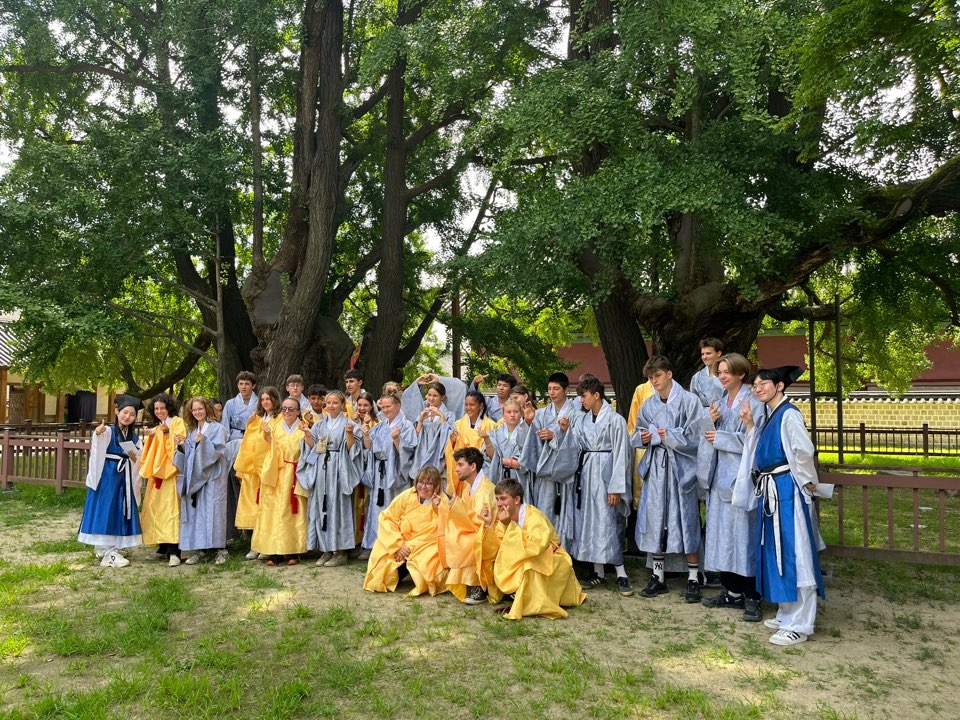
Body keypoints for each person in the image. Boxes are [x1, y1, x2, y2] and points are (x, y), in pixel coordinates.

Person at [733, 365, 825, 646]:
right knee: (777, 550)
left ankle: (801, 622)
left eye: (763, 384)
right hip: (773, 488)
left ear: (780, 386)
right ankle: (787, 612)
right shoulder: (773, 415)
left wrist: (808, 482)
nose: (757, 388)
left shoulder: (789, 414)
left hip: (787, 489)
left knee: (795, 550)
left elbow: (803, 451)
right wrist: (749, 425)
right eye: (755, 385)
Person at [697, 354, 766, 621]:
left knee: (743, 536)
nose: (722, 376)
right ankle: (732, 591)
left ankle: (752, 596)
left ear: (740, 374)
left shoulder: (753, 401)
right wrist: (710, 421)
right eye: (720, 372)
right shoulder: (717, 402)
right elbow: (705, 436)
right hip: (718, 476)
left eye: (727, 372)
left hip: (740, 476)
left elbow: (755, 438)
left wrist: (721, 436)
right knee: (721, 536)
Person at [631, 356, 703, 602]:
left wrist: (669, 435)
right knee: (656, 519)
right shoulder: (649, 404)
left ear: (669, 374)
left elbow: (697, 435)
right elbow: (636, 432)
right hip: (656, 469)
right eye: (651, 377)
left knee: (686, 518)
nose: (654, 381)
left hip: (681, 469)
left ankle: (694, 577)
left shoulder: (689, 401)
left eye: (658, 375)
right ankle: (658, 576)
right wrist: (644, 438)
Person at [561, 377, 633, 596]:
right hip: (587, 474)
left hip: (606, 473)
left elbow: (622, 454)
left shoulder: (615, 420)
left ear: (596, 395)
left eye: (584, 396)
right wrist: (565, 431)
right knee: (589, 522)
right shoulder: (582, 420)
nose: (581, 400)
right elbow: (575, 445)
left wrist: (616, 487)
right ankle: (598, 572)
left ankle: (621, 573)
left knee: (609, 521)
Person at [492, 478, 586, 619]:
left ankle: (529, 604)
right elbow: (501, 545)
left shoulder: (535, 517)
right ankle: (519, 596)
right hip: (534, 556)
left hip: (553, 558)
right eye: (497, 499)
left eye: (503, 499)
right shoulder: (505, 518)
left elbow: (536, 547)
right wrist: (495, 525)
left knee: (529, 567)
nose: (499, 503)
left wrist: (509, 527)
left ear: (517, 500)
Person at [78, 395, 143, 568]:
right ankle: (104, 550)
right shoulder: (108, 431)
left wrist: (135, 458)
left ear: (135, 417)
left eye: (131, 414)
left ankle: (114, 547)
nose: (127, 416)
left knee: (119, 509)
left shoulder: (135, 438)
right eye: (124, 412)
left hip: (124, 477)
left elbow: (140, 459)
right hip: (107, 476)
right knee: (105, 507)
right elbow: (99, 442)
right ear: (117, 412)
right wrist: (98, 433)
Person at [362, 466, 449, 596]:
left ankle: (413, 574)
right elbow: (387, 518)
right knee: (381, 550)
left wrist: (439, 510)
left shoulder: (442, 501)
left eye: (429, 483)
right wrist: (398, 544)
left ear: (436, 485)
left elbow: (436, 531)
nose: (423, 487)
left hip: (424, 544)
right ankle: (397, 573)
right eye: (421, 482)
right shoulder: (407, 495)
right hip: (401, 541)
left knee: (429, 560)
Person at [297, 391, 361, 567]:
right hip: (322, 470)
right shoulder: (319, 426)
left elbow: (353, 451)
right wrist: (308, 435)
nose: (331, 406)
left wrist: (349, 434)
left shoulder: (349, 424)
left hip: (340, 470)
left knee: (338, 507)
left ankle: (341, 551)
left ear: (342, 404)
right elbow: (314, 449)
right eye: (329, 403)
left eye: (335, 403)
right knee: (321, 507)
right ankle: (325, 548)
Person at [519, 372, 580, 545]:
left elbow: (579, 443)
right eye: (549, 389)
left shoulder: (576, 414)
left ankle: (564, 555)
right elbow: (527, 443)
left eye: (556, 389)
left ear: (566, 390)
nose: (552, 393)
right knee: (544, 510)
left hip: (565, 474)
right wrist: (529, 421)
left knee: (564, 513)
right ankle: (544, 550)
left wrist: (557, 436)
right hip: (544, 474)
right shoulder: (541, 413)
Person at [251, 397, 313, 565]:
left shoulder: (303, 428)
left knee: (293, 512)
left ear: (298, 411)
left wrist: (307, 433)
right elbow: (263, 450)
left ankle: (292, 551)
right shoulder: (274, 427)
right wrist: (265, 435)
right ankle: (273, 552)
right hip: (276, 474)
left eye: (291, 409)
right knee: (274, 512)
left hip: (296, 473)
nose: (287, 412)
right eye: (284, 409)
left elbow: (312, 447)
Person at [358, 393, 417, 560]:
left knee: (395, 509)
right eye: (382, 407)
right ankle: (374, 544)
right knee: (377, 509)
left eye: (388, 406)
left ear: (397, 405)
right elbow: (369, 449)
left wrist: (397, 440)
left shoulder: (406, 426)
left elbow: (409, 453)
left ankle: (396, 545)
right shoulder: (379, 426)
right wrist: (366, 436)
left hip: (396, 473)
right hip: (379, 472)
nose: (385, 410)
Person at [441, 447, 501, 605]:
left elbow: (480, 522)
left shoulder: (484, 490)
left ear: (472, 466)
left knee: (467, 540)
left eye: (460, 465)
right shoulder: (470, 486)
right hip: (479, 529)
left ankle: (480, 585)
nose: (456, 469)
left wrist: (457, 506)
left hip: (492, 535)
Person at [175, 397, 230, 565]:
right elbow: (190, 456)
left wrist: (204, 442)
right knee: (197, 511)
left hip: (213, 476)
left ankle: (221, 549)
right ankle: (201, 549)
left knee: (215, 511)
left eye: (200, 409)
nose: (197, 412)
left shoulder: (217, 428)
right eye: (194, 410)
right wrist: (182, 446)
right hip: (196, 478)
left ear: (207, 409)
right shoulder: (192, 431)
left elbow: (219, 451)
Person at [233, 387, 281, 557]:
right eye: (263, 399)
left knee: (267, 507)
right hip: (254, 469)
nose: (266, 402)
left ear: (275, 399)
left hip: (269, 468)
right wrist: (249, 425)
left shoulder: (280, 418)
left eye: (269, 399)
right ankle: (255, 545)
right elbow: (249, 443)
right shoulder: (258, 419)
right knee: (255, 506)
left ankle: (266, 545)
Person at [139, 393, 186, 567]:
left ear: (169, 408)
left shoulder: (177, 423)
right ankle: (163, 545)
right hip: (157, 474)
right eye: (156, 409)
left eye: (162, 408)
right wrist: (151, 436)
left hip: (171, 474)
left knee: (171, 511)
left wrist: (166, 435)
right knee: (155, 509)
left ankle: (175, 550)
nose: (159, 411)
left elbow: (180, 445)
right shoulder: (158, 427)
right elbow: (151, 453)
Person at [220, 371, 258, 541]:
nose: (243, 387)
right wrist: (226, 447)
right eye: (241, 384)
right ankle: (235, 529)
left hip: (252, 444)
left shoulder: (259, 403)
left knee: (250, 484)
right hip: (234, 443)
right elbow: (225, 427)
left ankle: (253, 527)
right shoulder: (230, 404)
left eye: (247, 384)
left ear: (253, 386)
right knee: (234, 481)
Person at [444, 391, 498, 490]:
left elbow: (492, 455)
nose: (468, 408)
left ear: (481, 405)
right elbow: (451, 451)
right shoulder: (458, 424)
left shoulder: (491, 425)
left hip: (481, 471)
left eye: (472, 405)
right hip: (462, 470)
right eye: (466, 404)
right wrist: (454, 442)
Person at [483, 398, 533, 500]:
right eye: (508, 412)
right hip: (498, 477)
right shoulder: (494, 434)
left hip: (520, 479)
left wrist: (501, 460)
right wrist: (487, 439)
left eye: (516, 411)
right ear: (503, 414)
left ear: (521, 413)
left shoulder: (528, 433)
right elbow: (491, 456)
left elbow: (528, 458)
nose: (512, 415)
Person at [409, 380, 454, 481]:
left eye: (435, 395)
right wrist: (420, 420)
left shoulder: (449, 415)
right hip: (421, 455)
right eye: (429, 395)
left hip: (439, 457)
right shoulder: (422, 414)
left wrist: (442, 417)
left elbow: (449, 439)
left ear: (442, 397)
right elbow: (414, 439)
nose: (431, 398)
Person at [689, 338, 724, 409]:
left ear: (718, 353)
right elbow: (692, 403)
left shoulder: (728, 375)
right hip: (702, 417)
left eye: (708, 353)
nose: (704, 357)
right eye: (702, 354)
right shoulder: (697, 377)